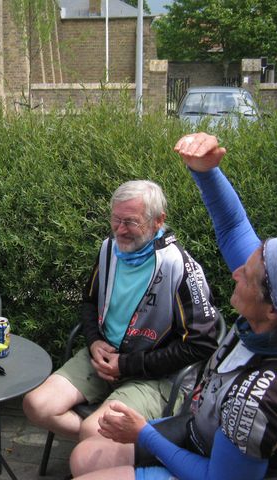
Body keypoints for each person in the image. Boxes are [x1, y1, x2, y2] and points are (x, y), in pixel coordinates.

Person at [69, 132, 277, 480]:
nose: (236, 271)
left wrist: (145, 433)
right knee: (84, 457)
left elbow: (216, 477)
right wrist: (205, 171)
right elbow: (231, 226)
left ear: (273, 308)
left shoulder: (263, 398)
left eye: (248, 273)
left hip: (211, 467)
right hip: (199, 430)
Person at [23, 180, 219, 443]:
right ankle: (111, 448)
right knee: (36, 405)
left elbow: (202, 344)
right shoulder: (109, 249)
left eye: (131, 222)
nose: (120, 230)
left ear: (158, 221)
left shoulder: (179, 266)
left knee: (96, 431)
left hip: (156, 376)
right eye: (115, 220)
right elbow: (89, 302)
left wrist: (127, 365)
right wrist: (94, 342)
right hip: (104, 359)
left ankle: (103, 448)